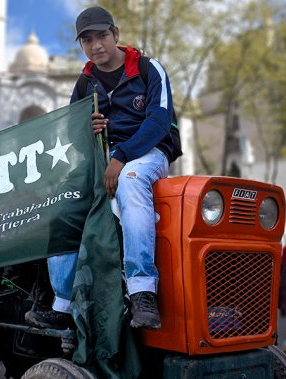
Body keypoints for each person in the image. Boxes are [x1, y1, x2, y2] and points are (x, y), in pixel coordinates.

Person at [25, 6, 179, 330]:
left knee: (131, 182)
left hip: (147, 153)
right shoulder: (85, 83)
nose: (96, 46)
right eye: (88, 40)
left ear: (116, 34)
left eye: (102, 36)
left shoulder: (150, 69)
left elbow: (160, 121)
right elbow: (71, 135)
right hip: (104, 157)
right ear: (82, 45)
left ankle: (142, 292)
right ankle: (63, 307)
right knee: (63, 202)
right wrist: (87, 127)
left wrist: (121, 157)